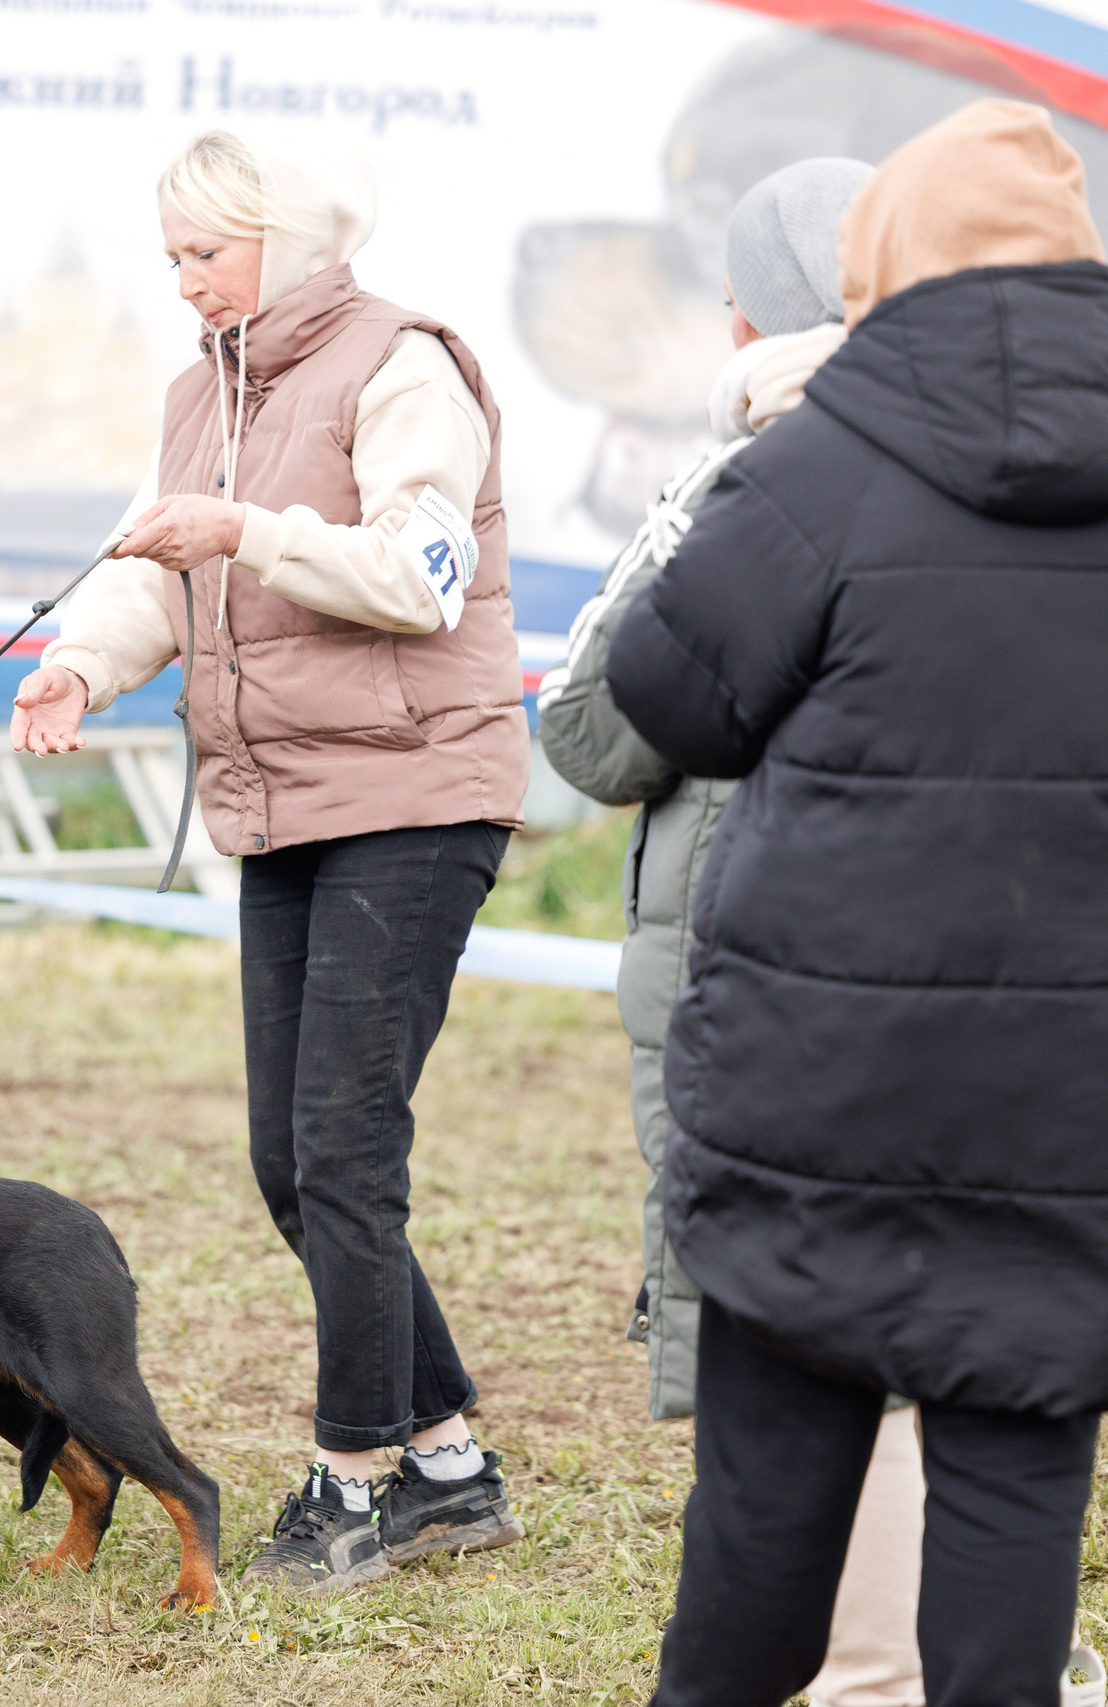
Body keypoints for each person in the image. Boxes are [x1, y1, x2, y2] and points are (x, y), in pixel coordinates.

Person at [605, 100, 1108, 1706]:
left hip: (813, 1101)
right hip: (1068, 1118)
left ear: (880, 265)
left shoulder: (823, 458)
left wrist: (743, 451)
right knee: (1017, 1505)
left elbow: (662, 702)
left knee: (764, 1517)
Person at [10, 127, 530, 1592]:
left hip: (418, 797)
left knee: (346, 1155)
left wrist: (247, 524)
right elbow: (166, 572)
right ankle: (451, 1467)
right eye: (170, 258)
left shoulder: (403, 364)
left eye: (204, 255)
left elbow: (420, 579)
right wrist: (82, 665)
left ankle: (353, 1479)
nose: (182, 284)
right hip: (283, 801)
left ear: (285, 243)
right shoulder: (205, 392)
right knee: (285, 1159)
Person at [538, 157, 935, 1707]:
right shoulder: (990, 454)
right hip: (946, 974)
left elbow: (593, 735)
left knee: (787, 1350)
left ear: (752, 314)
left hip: (750, 971)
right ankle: (952, 1646)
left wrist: (674, 503)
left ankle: (862, 1670)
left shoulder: (754, 480)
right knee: (929, 1324)